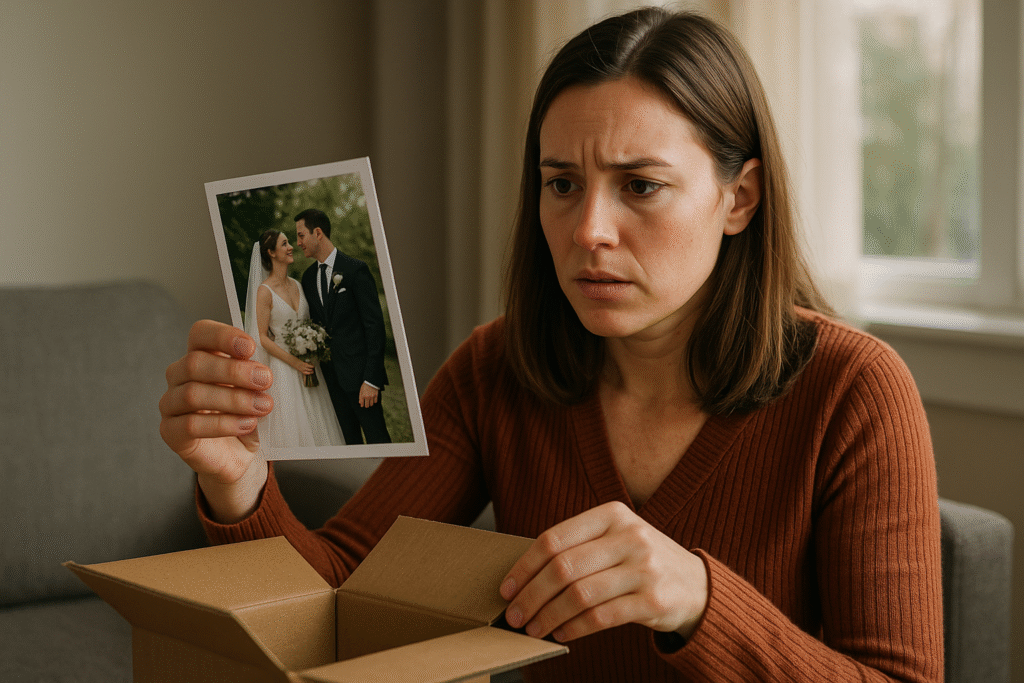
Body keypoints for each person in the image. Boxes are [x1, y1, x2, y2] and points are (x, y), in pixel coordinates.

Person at [159, 8, 942, 682]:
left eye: (641, 185)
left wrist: (699, 599)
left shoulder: (857, 389)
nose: (588, 231)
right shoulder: (494, 371)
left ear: (739, 198)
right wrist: (240, 482)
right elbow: (336, 593)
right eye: (561, 184)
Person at [294, 208, 392, 445]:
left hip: (361, 381)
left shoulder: (355, 270)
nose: (298, 243)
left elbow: (374, 328)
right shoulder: (307, 278)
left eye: (301, 235)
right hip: (330, 383)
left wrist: (371, 380)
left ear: (317, 233)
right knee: (349, 445)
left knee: (379, 442)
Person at [244, 230, 345, 449]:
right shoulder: (264, 292)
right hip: (285, 369)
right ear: (271, 253)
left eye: (289, 243)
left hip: (310, 366)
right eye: (285, 244)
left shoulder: (297, 285)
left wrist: (312, 347)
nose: (291, 247)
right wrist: (295, 363)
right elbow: (262, 337)